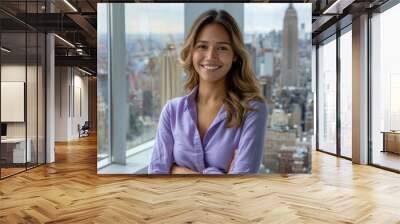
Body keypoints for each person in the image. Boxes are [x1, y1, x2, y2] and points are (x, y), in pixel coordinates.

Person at [148, 9, 267, 174]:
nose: (211, 56)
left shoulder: (252, 110)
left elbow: (240, 185)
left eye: (222, 48)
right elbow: (155, 175)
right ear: (191, 52)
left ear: (235, 55)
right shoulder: (172, 111)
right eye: (202, 46)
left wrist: (177, 171)